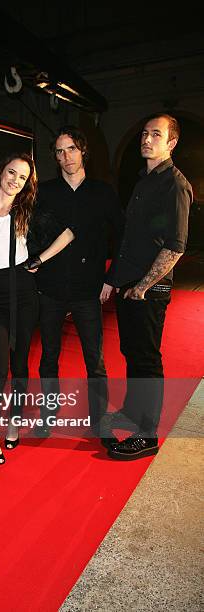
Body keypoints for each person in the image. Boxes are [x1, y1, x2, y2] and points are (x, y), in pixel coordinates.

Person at [0, 153, 74, 464]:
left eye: (22, 178)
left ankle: (14, 421)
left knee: (20, 365)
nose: (15, 180)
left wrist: (38, 260)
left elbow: (67, 234)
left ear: (26, 184)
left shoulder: (28, 212)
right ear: (1, 172)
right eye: (12, 172)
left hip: (24, 294)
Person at [28, 125, 124, 446]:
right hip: (51, 288)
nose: (65, 156)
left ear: (83, 151)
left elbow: (121, 236)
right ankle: (48, 417)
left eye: (71, 149)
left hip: (88, 289)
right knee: (48, 357)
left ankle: (99, 422)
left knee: (94, 360)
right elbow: (31, 234)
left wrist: (112, 278)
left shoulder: (103, 192)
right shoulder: (45, 192)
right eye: (59, 151)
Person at [106, 114, 192, 460]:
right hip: (131, 285)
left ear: (171, 143)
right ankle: (132, 411)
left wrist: (142, 286)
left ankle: (147, 434)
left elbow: (176, 245)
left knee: (146, 360)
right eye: (144, 133)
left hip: (148, 289)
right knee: (132, 353)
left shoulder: (174, 184)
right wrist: (119, 282)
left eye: (156, 134)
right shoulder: (144, 180)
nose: (146, 139)